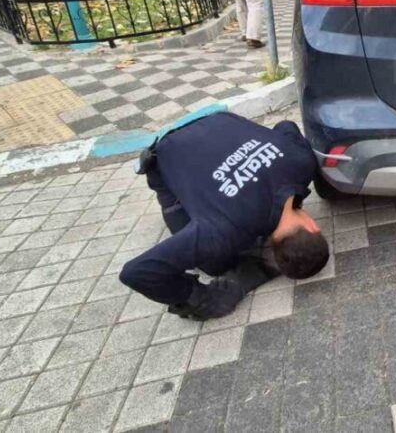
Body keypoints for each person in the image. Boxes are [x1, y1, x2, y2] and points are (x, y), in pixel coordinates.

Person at [119, 112, 328, 320]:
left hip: (214, 120)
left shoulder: (303, 162)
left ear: (313, 226)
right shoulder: (222, 230)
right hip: (166, 150)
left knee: (219, 249)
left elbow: (286, 125)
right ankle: (157, 173)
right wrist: (199, 297)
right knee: (214, 263)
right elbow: (136, 272)